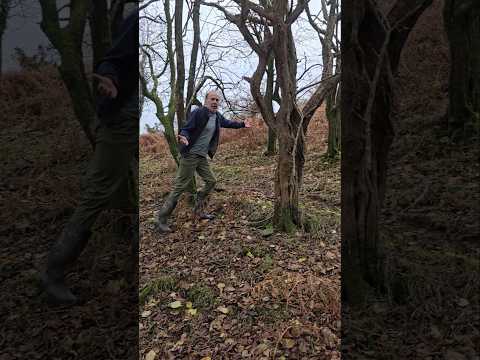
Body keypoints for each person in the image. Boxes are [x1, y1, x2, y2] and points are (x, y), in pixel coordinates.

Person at [41, 10, 139, 305]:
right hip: (124, 118)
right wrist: (108, 78)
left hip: (143, 121)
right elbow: (113, 58)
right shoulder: (140, 19)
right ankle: (52, 273)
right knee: (98, 191)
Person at [155, 91, 252, 233]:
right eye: (212, 99)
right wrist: (184, 137)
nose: (215, 102)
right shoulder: (198, 113)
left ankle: (198, 210)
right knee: (179, 187)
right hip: (190, 155)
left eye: (217, 100)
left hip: (201, 157)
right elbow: (187, 128)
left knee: (211, 181)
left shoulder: (217, 116)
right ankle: (160, 220)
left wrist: (243, 124)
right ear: (206, 100)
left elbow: (228, 123)